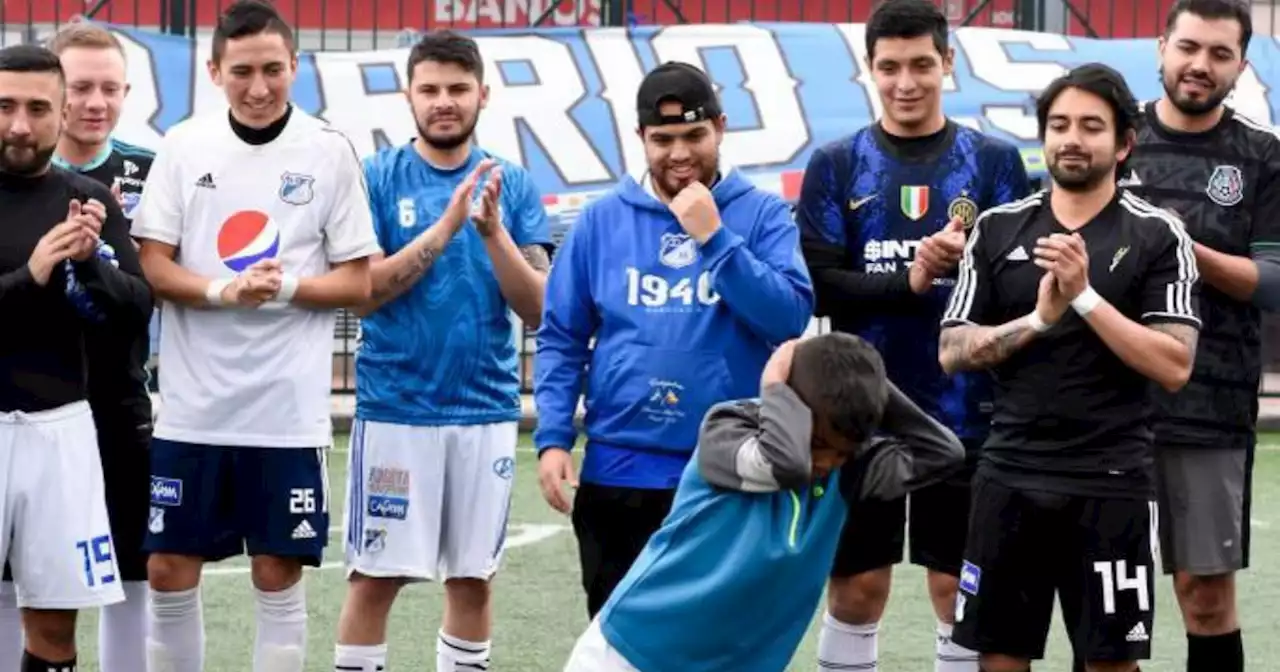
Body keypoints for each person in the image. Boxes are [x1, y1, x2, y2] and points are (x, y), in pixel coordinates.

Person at [130, 2, 380, 670]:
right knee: (167, 568)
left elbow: (359, 281)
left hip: (285, 414)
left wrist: (289, 287)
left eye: (274, 69)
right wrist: (222, 291)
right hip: (193, 410)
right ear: (215, 72)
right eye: (243, 71)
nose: (260, 86)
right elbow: (152, 263)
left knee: (277, 570)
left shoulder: (328, 151)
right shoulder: (185, 145)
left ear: (296, 66)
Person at [938, 63, 1202, 672]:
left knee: (1110, 663)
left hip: (1111, 482)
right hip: (1009, 474)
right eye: (1058, 125)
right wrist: (1037, 320)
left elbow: (1174, 364)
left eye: (1091, 126)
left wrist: (1084, 297)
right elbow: (952, 351)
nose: (1072, 139)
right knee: (1000, 658)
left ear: (1124, 143)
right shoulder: (999, 230)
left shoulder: (1159, 235)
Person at [794, 2, 1031, 670]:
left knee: (956, 587)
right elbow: (820, 286)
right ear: (869, 70)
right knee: (857, 588)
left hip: (967, 411)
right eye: (890, 66)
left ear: (948, 64)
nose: (906, 81)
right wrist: (913, 280)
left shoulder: (993, 162)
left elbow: (1015, 286)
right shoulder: (837, 165)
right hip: (858, 414)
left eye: (922, 64)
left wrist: (967, 272)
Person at [534, 60, 814, 619]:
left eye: (694, 135)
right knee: (619, 638)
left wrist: (715, 237)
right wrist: (553, 437)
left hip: (729, 470)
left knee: (719, 641)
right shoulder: (599, 221)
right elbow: (562, 338)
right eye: (662, 140)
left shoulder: (760, 216)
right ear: (640, 138)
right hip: (620, 469)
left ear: (721, 127)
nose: (679, 154)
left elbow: (788, 318)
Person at [333, 30, 552, 672]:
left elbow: (537, 307)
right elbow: (364, 295)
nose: (444, 102)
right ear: (408, 96)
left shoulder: (512, 184)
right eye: (429, 89)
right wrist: (447, 224)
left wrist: (491, 234)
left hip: (484, 411)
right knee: (374, 578)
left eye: (458, 89)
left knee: (472, 579)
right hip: (396, 409)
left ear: (483, 94)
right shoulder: (375, 178)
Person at [562, 333, 966, 671]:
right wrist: (776, 383)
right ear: (791, 402)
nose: (826, 463)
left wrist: (867, 383)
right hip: (632, 657)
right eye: (820, 445)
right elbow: (786, 464)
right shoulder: (727, 430)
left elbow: (943, 452)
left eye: (842, 453)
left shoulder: (851, 474)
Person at [1120, 2, 1280, 670]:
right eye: (1188, 47)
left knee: (1206, 595)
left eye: (1220, 54)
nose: (1199, 65)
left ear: (1242, 65)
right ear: (1161, 48)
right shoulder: (1111, 133)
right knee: (1108, 598)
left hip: (1210, 408)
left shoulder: (1262, 157)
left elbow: (1272, 282)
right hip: (1107, 408)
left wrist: (1178, 243)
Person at [0, 23, 157, 672]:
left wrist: (92, 263)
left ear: (61, 115)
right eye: (5, 106)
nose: (19, 124)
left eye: (38, 108)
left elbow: (136, 309)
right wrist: (31, 273)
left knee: (54, 628)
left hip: (63, 433)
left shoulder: (87, 200)